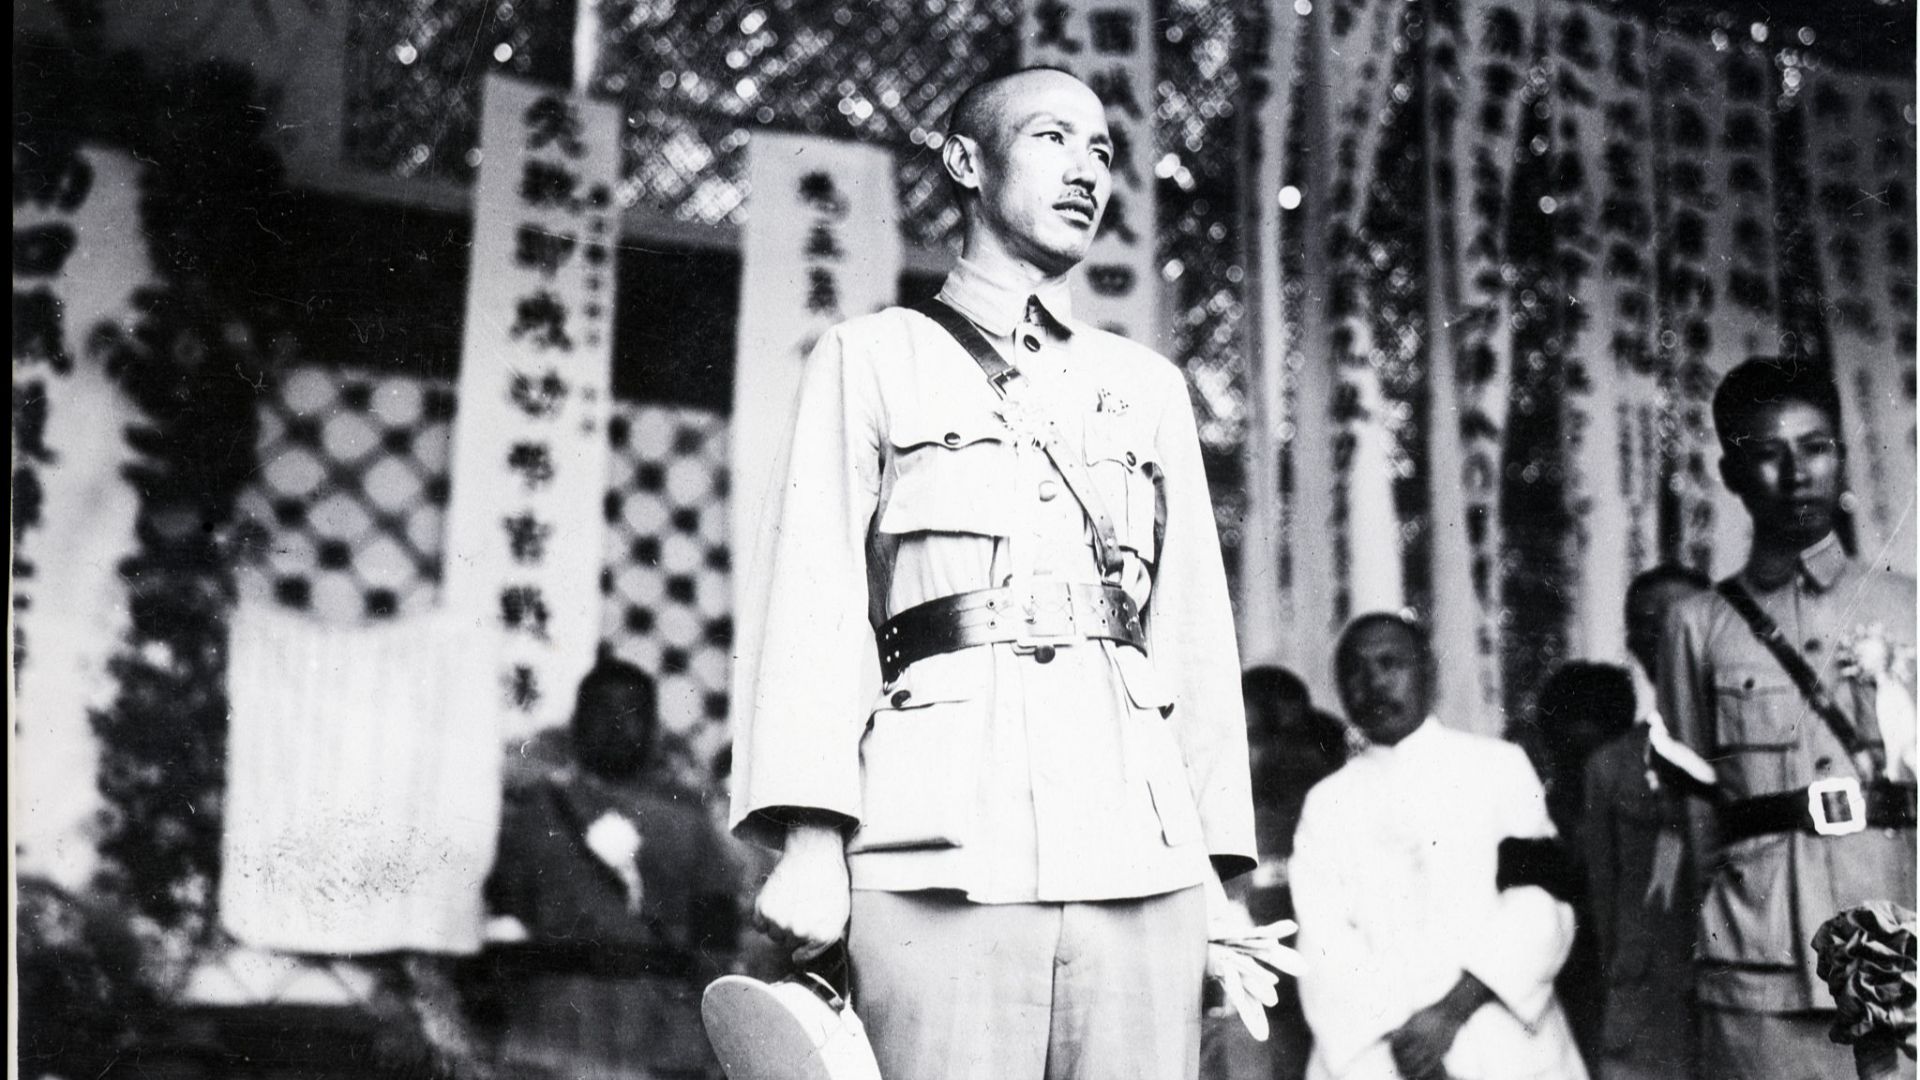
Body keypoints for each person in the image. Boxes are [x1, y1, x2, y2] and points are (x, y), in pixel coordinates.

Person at [730, 66, 1256, 1080]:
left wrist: (1219, 874)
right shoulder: (873, 357)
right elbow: (812, 602)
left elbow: (1191, 631)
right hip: (936, 847)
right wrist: (809, 836)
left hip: (1140, 858)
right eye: (1053, 139)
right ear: (969, 161)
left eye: (1103, 152)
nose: (1086, 171)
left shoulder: (1143, 388)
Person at [1657, 358, 1917, 1080]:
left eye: (1816, 446)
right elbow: (1695, 808)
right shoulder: (1697, 625)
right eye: (1768, 454)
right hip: (1760, 959)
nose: (1797, 473)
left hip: (1904, 946)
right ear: (1732, 473)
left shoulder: (1908, 606)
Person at [1291, 613, 1587, 1080]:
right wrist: (1408, 1046)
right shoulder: (1327, 803)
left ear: (1428, 672)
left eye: (1391, 663)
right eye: (1355, 669)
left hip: (1500, 1030)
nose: (1373, 683)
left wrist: (1449, 1013)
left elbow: (1542, 901)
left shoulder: (1499, 768)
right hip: (1378, 1053)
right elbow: (1324, 941)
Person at [483, 658, 741, 1080]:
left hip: (660, 1028)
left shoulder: (689, 819)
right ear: (577, 723)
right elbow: (504, 915)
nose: (616, 725)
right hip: (555, 1025)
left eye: (631, 712)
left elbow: (718, 934)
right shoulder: (538, 810)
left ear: (653, 727)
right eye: (601, 711)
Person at [1579, 565, 1710, 1080]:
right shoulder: (1611, 767)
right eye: (1644, 624)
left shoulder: (1759, 754)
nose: (1660, 636)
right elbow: (1606, 903)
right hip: (1652, 1016)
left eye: (1678, 619)